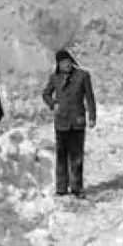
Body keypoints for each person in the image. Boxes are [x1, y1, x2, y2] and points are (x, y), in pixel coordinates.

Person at [42, 49, 97, 198]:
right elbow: (45, 94)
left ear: (71, 61)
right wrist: (53, 104)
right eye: (61, 63)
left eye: (67, 62)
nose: (65, 65)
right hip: (61, 123)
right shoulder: (55, 78)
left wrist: (92, 116)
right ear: (58, 64)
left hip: (77, 121)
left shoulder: (82, 76)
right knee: (61, 156)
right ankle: (61, 187)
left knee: (76, 156)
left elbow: (90, 97)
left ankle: (77, 187)